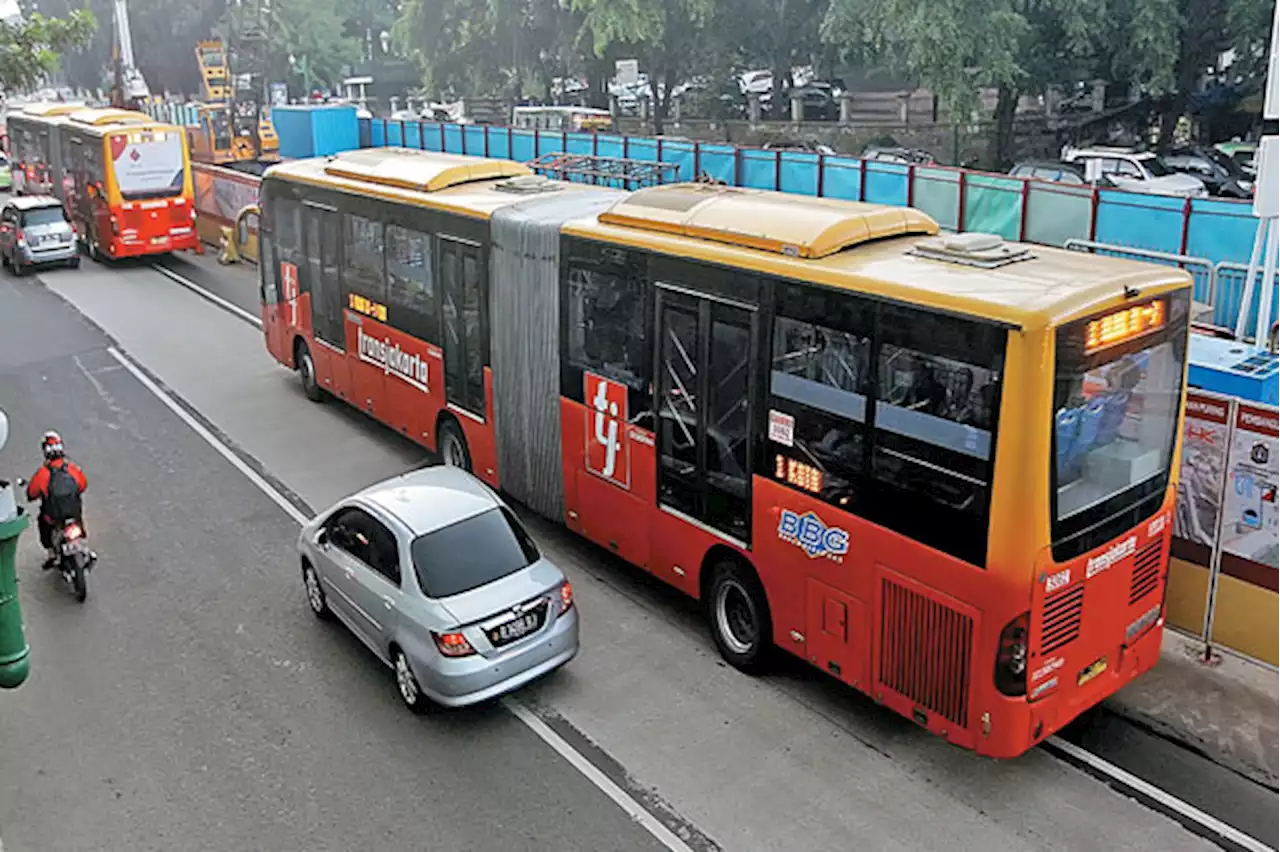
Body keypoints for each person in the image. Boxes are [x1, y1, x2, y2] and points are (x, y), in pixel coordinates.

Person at [25, 431, 88, 569]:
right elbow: (83, 485)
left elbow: (31, 493)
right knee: (78, 517)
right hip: (74, 516)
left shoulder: (43, 474)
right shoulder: (72, 470)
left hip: (53, 519)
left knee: (42, 522)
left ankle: (52, 554)